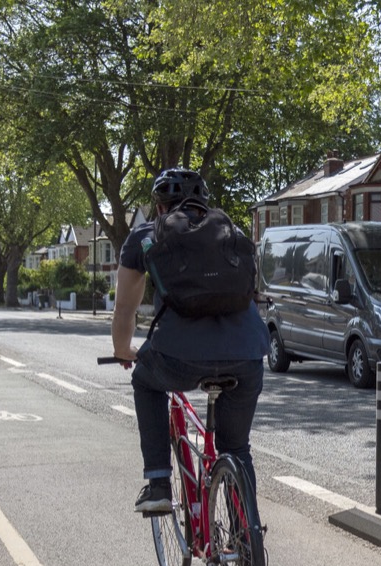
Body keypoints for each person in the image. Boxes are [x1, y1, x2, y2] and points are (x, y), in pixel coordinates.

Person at [111, 167, 268, 514]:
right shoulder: (232, 231)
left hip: (178, 357)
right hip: (248, 354)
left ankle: (158, 484)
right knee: (237, 448)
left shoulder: (145, 236)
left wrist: (124, 351)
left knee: (145, 382)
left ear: (160, 206)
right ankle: (247, 551)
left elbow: (125, 310)